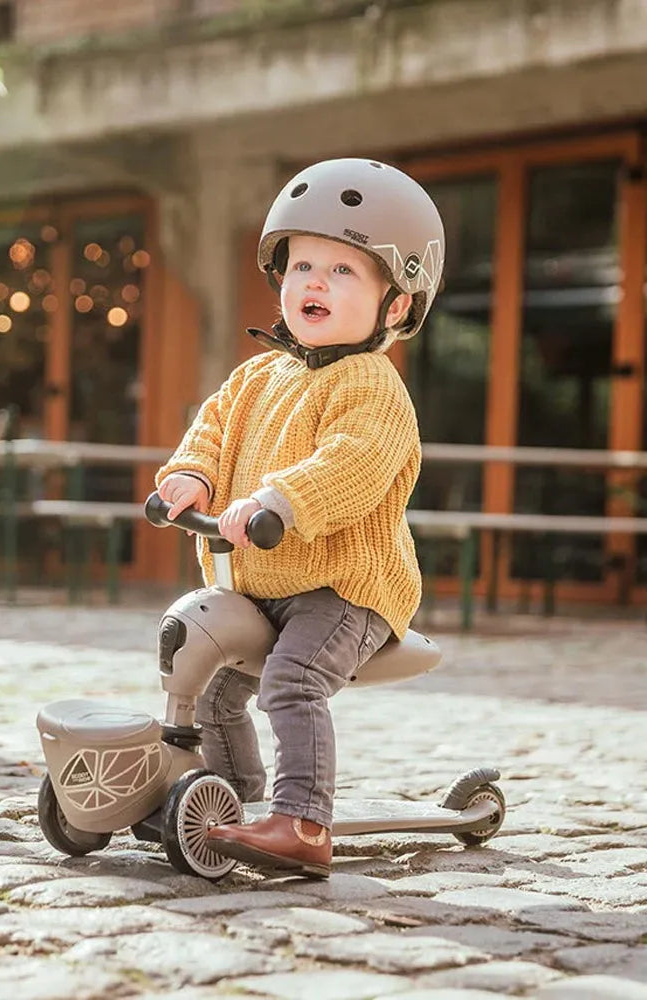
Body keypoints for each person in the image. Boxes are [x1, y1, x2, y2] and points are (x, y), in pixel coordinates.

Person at [155, 158, 445, 878]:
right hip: (265, 580)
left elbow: (352, 464)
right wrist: (190, 477)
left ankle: (304, 824)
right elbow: (213, 431)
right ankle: (227, 802)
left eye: (344, 272)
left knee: (290, 681)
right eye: (302, 265)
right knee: (218, 687)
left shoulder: (372, 386)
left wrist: (278, 500)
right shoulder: (259, 375)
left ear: (398, 305)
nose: (314, 282)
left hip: (345, 589)